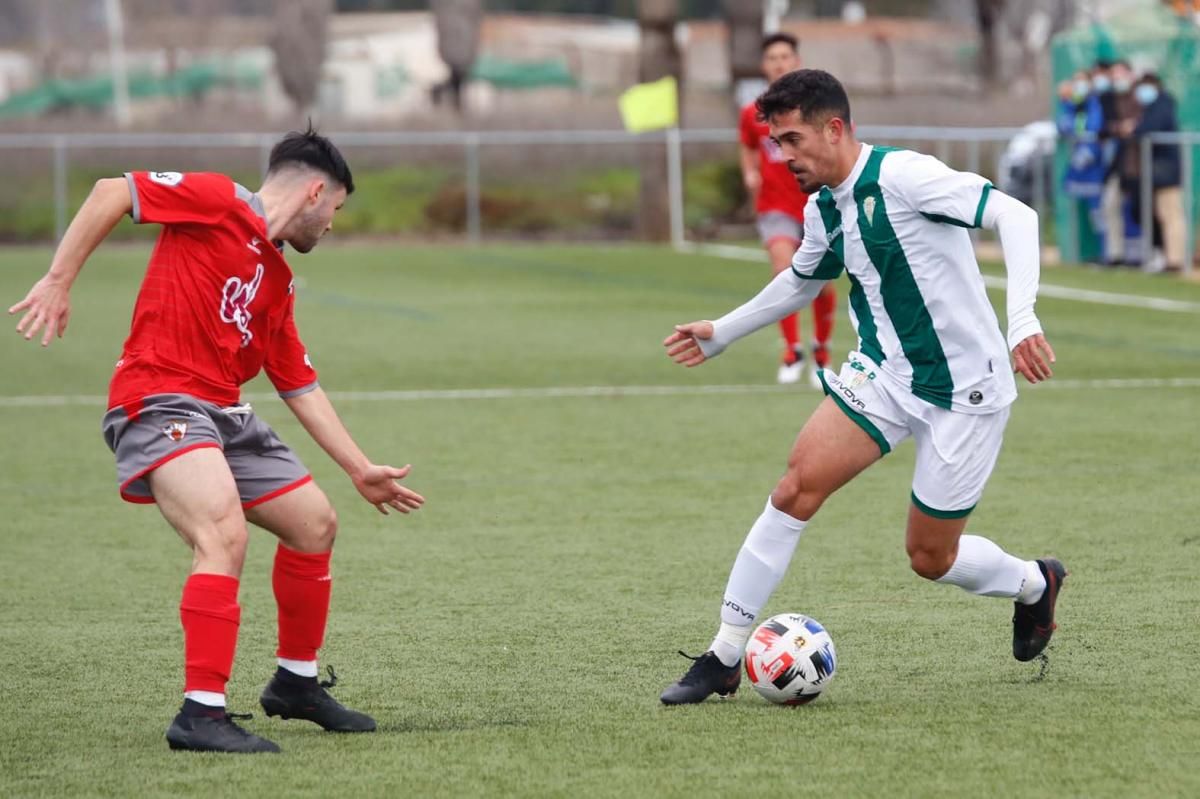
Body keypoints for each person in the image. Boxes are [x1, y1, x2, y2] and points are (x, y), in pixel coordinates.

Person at [8, 126, 425, 752]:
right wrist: (59, 279)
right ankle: (201, 713)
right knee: (222, 535)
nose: (332, 225)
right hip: (159, 399)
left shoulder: (277, 281)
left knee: (314, 524)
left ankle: (296, 683)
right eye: (336, 209)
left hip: (224, 414)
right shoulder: (217, 201)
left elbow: (300, 385)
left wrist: (360, 468)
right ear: (316, 191)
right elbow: (109, 192)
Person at [659, 70, 1065, 705]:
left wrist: (1023, 320)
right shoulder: (823, 206)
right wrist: (723, 332)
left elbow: (1016, 215)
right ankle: (725, 654)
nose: (782, 155)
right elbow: (800, 281)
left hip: (966, 391)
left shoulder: (905, 177)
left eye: (792, 139)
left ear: (835, 128)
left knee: (930, 557)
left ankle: (1034, 583)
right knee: (794, 488)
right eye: (775, 142)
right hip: (882, 375)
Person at [738, 32, 836, 387]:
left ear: (796, 60)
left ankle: (821, 350)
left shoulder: (818, 108)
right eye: (772, 58)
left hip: (815, 203)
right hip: (775, 205)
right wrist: (750, 172)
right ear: (764, 65)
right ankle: (791, 350)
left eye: (785, 56)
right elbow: (748, 148)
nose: (779, 63)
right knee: (784, 271)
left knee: (820, 284)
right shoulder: (752, 113)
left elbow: (841, 145)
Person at [1126, 72, 1186, 273]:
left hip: (1167, 171)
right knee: (1162, 214)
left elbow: (1146, 129)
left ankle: (1175, 260)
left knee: (1171, 214)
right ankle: (1169, 259)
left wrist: (1134, 129)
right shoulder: (1153, 106)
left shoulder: (1163, 104)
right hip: (1160, 171)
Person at [1057, 69, 1107, 262]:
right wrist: (1065, 102)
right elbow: (1064, 126)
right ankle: (1081, 254)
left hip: (1094, 168)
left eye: (1082, 81)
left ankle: (1105, 254)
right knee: (1081, 212)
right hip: (1079, 167)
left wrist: (1086, 153)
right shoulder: (1073, 106)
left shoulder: (1095, 105)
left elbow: (1095, 130)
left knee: (1099, 212)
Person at [1101, 61, 1141, 266]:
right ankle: (1115, 255)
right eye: (1114, 76)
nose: (1117, 80)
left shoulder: (1139, 97)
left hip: (1139, 165)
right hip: (1118, 164)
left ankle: (1145, 254)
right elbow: (1106, 127)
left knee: (1140, 210)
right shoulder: (1110, 98)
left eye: (1120, 75)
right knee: (1110, 205)